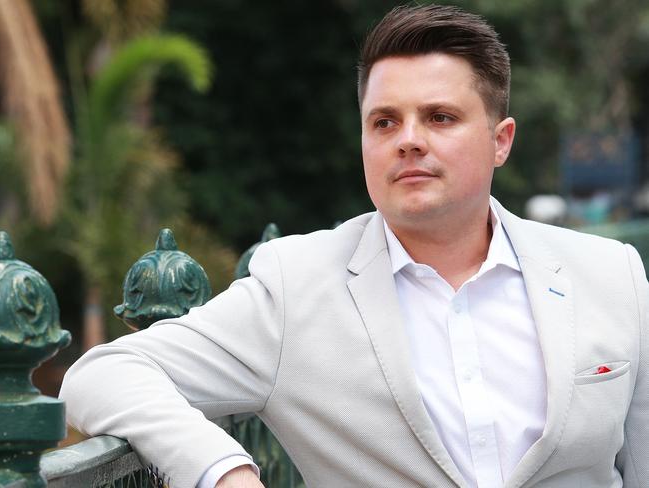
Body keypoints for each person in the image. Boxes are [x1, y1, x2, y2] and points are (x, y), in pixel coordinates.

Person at [60, 4, 648, 488]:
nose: (409, 141)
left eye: (440, 117)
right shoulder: (296, 287)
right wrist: (225, 470)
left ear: (501, 141)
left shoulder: (611, 275)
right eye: (385, 122)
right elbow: (102, 374)